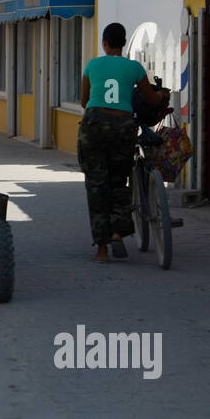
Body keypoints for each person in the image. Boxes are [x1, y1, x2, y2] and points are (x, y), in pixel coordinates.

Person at [77, 21, 170, 263]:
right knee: (119, 181)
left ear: (104, 43)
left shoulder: (93, 65)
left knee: (97, 186)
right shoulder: (134, 68)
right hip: (123, 126)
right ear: (124, 43)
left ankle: (102, 250)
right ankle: (118, 233)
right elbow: (150, 99)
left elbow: (83, 100)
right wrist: (161, 95)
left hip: (95, 125)